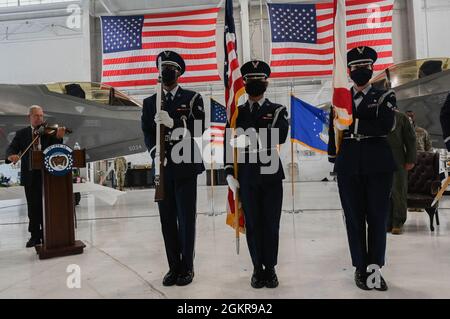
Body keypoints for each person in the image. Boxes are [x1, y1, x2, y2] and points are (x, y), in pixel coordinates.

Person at [328, 46, 396, 291]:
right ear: (348, 71)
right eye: (356, 68)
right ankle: (359, 267)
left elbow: (384, 125)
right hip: (348, 166)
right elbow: (333, 129)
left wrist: (353, 124)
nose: (360, 71)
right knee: (354, 220)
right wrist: (333, 156)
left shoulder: (384, 96)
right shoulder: (340, 99)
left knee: (377, 218)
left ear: (372, 68)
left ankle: (374, 269)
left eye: (365, 67)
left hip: (378, 165)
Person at [141, 51, 205, 287]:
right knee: (166, 220)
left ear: (179, 72)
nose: (166, 72)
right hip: (162, 167)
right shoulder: (150, 102)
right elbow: (147, 131)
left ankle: (187, 268)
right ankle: (173, 267)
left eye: (171, 68)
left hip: (185, 165)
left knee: (186, 219)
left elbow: (199, 128)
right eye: (162, 68)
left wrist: (175, 122)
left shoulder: (192, 98)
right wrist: (154, 152)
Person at [224, 60, 289, 289]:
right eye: (250, 81)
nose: (254, 84)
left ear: (266, 83)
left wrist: (246, 139)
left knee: (271, 224)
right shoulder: (236, 113)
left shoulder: (278, 110)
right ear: (244, 83)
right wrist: (229, 173)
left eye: (258, 80)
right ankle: (256, 267)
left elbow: (279, 135)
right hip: (247, 175)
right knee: (252, 224)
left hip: (271, 175)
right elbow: (228, 144)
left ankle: (270, 268)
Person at [5, 105, 66, 247]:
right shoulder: (22, 134)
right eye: (36, 116)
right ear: (29, 117)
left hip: (48, 176)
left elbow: (56, 151)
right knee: (33, 207)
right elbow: (12, 148)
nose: (39, 118)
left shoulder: (49, 132)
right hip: (30, 176)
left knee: (48, 206)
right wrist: (11, 156)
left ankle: (47, 233)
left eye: (41, 116)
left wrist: (59, 138)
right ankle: (34, 236)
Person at [387, 110, 417, 235]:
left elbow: (410, 139)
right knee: (380, 192)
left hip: (398, 157)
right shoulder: (375, 114)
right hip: (378, 156)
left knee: (398, 190)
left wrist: (410, 159)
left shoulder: (401, 117)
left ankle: (397, 222)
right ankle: (386, 222)